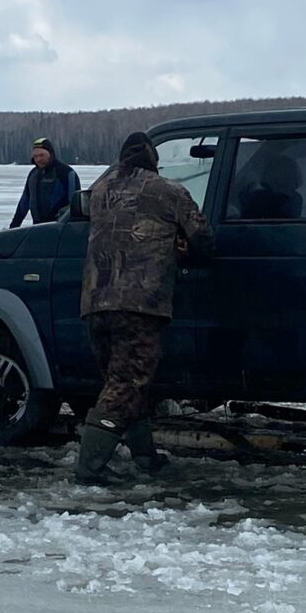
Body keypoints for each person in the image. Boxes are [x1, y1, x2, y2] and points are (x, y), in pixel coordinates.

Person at [75, 131, 214, 485]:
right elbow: (203, 238)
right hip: (139, 304)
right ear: (153, 160)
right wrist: (183, 249)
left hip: (95, 302)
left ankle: (145, 457)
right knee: (126, 385)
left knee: (121, 382)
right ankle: (89, 469)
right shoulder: (169, 191)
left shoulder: (101, 191)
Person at [9, 138, 80, 228]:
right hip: (38, 228)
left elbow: (75, 204)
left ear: (50, 154)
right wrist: (14, 227)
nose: (38, 159)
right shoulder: (33, 175)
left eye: (42, 155)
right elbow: (24, 203)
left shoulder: (66, 173)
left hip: (60, 229)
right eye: (35, 156)